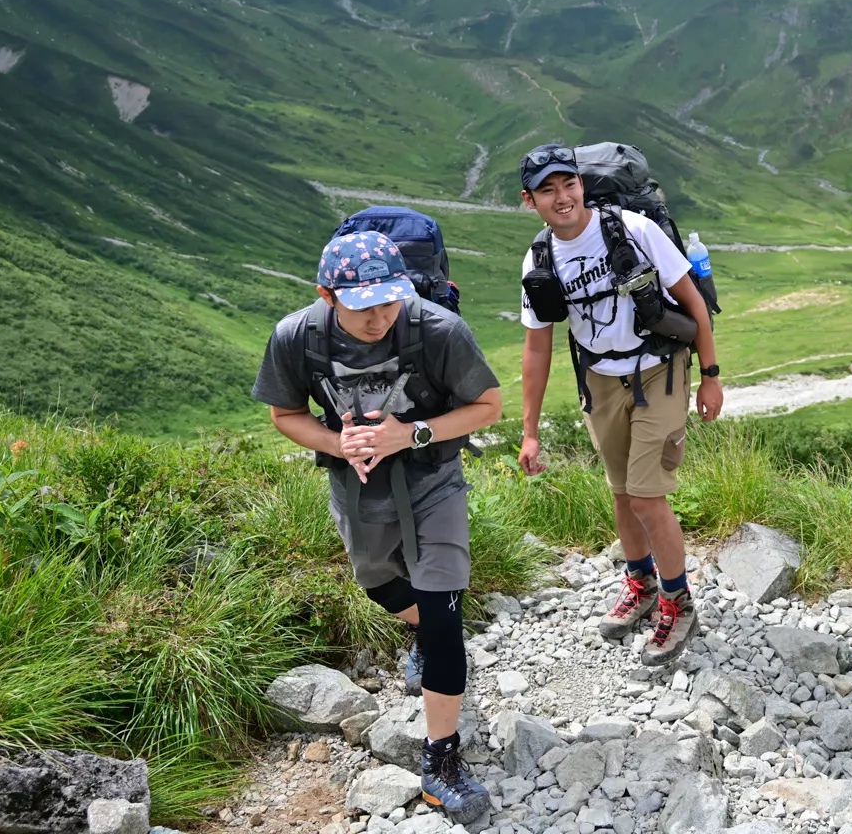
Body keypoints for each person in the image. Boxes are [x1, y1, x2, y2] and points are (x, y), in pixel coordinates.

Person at [254, 230, 504, 822]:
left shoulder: (438, 330)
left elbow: (488, 406)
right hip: (358, 488)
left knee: (443, 610)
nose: (379, 318)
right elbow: (284, 414)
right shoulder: (298, 336)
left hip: (433, 480)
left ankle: (441, 758)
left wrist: (409, 433)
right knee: (379, 583)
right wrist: (337, 445)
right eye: (363, 306)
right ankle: (423, 632)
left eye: (389, 302)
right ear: (327, 296)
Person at [515, 144, 722, 667]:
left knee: (648, 497)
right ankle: (641, 585)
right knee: (623, 494)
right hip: (599, 382)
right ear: (529, 200)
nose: (561, 197)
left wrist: (711, 377)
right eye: (547, 189)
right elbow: (536, 348)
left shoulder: (633, 229)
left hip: (659, 369)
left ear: (582, 184)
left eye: (568, 184)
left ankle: (678, 602)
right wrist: (530, 431)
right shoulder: (539, 258)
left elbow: (693, 302)